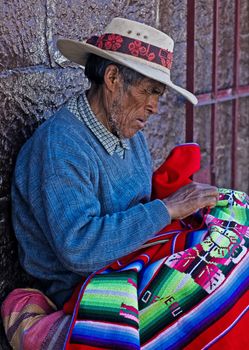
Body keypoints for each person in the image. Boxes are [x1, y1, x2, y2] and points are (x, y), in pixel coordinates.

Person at [2, 17, 231, 350]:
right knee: (206, 308)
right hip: (87, 288)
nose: (154, 107)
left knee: (229, 253)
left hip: (131, 265)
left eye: (159, 95)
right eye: (148, 92)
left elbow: (138, 209)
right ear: (112, 78)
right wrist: (166, 210)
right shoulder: (61, 147)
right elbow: (79, 249)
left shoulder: (126, 131)